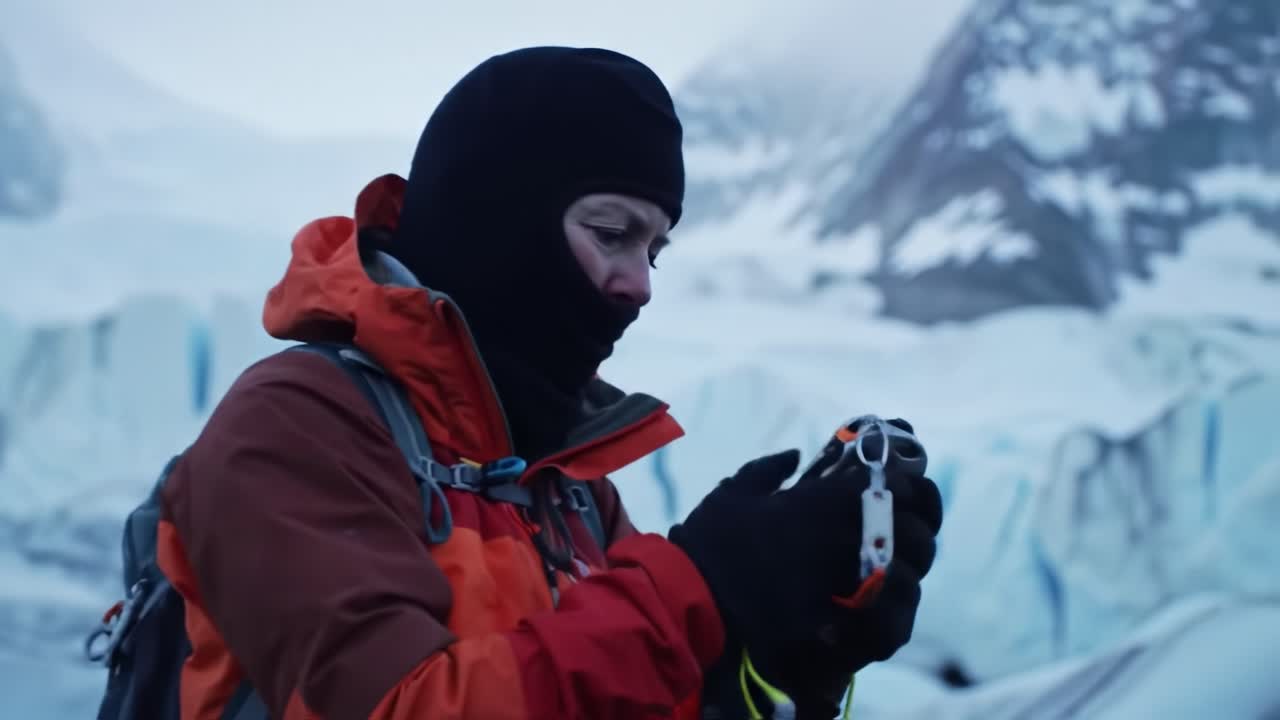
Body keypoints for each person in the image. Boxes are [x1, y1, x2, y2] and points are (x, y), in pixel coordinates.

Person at [154, 46, 943, 719]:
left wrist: (786, 657)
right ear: (498, 220)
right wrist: (700, 586)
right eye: (612, 234)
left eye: (655, 250)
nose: (639, 284)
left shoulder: (564, 485)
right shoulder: (297, 427)